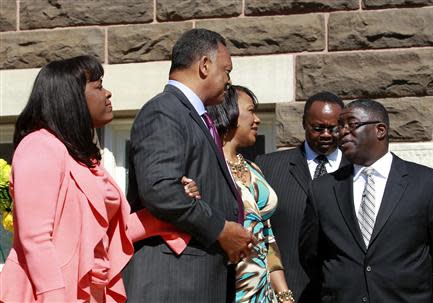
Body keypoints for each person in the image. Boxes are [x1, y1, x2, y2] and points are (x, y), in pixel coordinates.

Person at [0, 55, 195, 303]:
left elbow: (114, 231)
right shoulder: (39, 145)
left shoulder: (85, 161)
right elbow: (36, 238)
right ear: (71, 98)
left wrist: (172, 205)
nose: (108, 93)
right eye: (98, 86)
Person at [123, 29, 254, 302]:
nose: (229, 80)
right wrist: (221, 229)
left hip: (199, 278)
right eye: (226, 70)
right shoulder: (164, 111)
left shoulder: (193, 115)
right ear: (204, 66)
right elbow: (160, 189)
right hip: (175, 280)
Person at [299, 99, 433, 303]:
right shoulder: (322, 189)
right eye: (340, 126)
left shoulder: (427, 184)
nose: (342, 132)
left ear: (380, 130)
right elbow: (311, 256)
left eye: (351, 124)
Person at [255, 91, 347, 301]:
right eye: (318, 128)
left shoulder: (357, 170)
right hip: (285, 292)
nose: (326, 134)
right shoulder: (268, 167)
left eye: (333, 128)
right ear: (304, 123)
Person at [206, 84, 294, 303]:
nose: (258, 120)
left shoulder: (254, 169)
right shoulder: (208, 167)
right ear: (229, 112)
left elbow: (268, 237)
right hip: (227, 288)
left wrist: (284, 294)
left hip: (263, 293)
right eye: (251, 111)